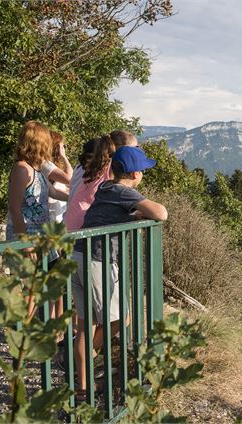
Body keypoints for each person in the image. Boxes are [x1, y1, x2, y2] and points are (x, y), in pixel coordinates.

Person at [72, 146, 167, 399]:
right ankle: (80, 355)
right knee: (119, 320)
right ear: (135, 173)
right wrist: (140, 212)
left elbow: (111, 213)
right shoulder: (124, 191)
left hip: (78, 255)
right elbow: (161, 213)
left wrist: (132, 216)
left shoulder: (106, 188)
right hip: (97, 261)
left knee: (86, 326)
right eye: (143, 170)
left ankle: (82, 388)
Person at [64, 130, 139, 231]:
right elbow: (116, 193)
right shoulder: (110, 167)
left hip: (72, 219)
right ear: (122, 150)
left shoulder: (94, 164)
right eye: (135, 148)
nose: (137, 153)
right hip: (84, 222)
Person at [7, 121, 69, 240]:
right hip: (25, 237)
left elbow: (54, 193)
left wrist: (76, 197)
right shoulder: (22, 169)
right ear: (40, 144)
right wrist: (25, 243)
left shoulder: (37, 168)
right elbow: (15, 208)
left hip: (41, 235)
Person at [47, 131, 73, 224]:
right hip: (51, 217)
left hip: (58, 216)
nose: (64, 149)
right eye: (63, 146)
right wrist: (64, 157)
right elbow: (69, 179)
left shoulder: (53, 167)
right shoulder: (45, 164)